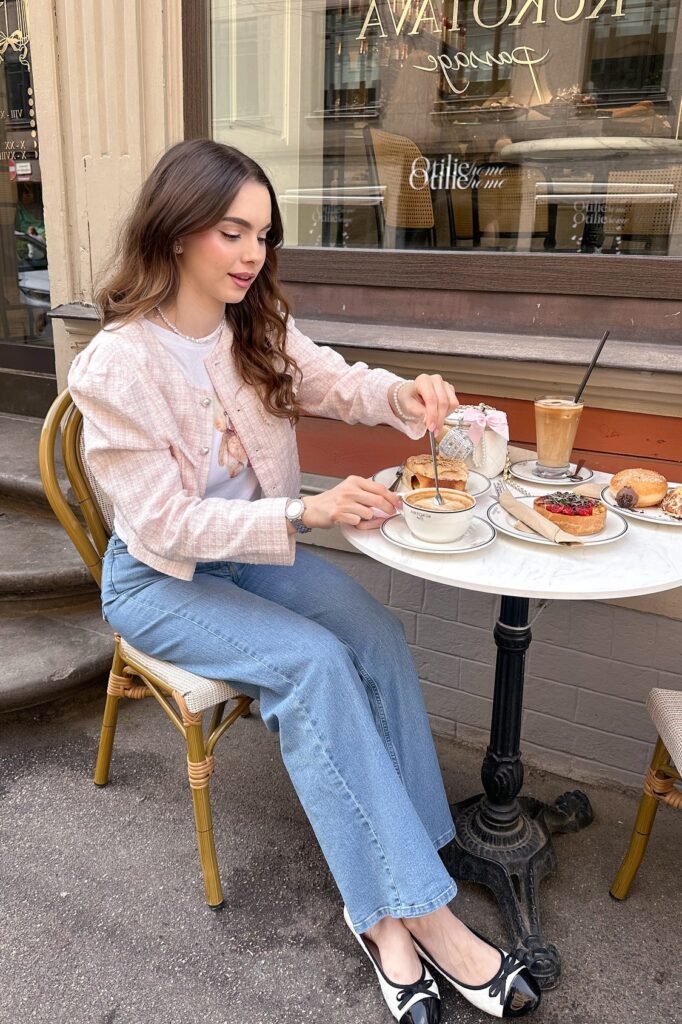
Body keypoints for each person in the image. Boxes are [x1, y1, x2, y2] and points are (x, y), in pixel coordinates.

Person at [67, 139, 541, 1023]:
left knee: (373, 638)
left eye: (262, 235)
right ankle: (413, 921)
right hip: (159, 580)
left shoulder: (257, 326)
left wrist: (405, 398)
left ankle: (416, 862)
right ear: (175, 233)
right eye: (230, 231)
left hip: (252, 555)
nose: (251, 254)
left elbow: (337, 383)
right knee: (315, 666)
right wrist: (304, 515)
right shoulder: (115, 366)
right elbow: (164, 523)